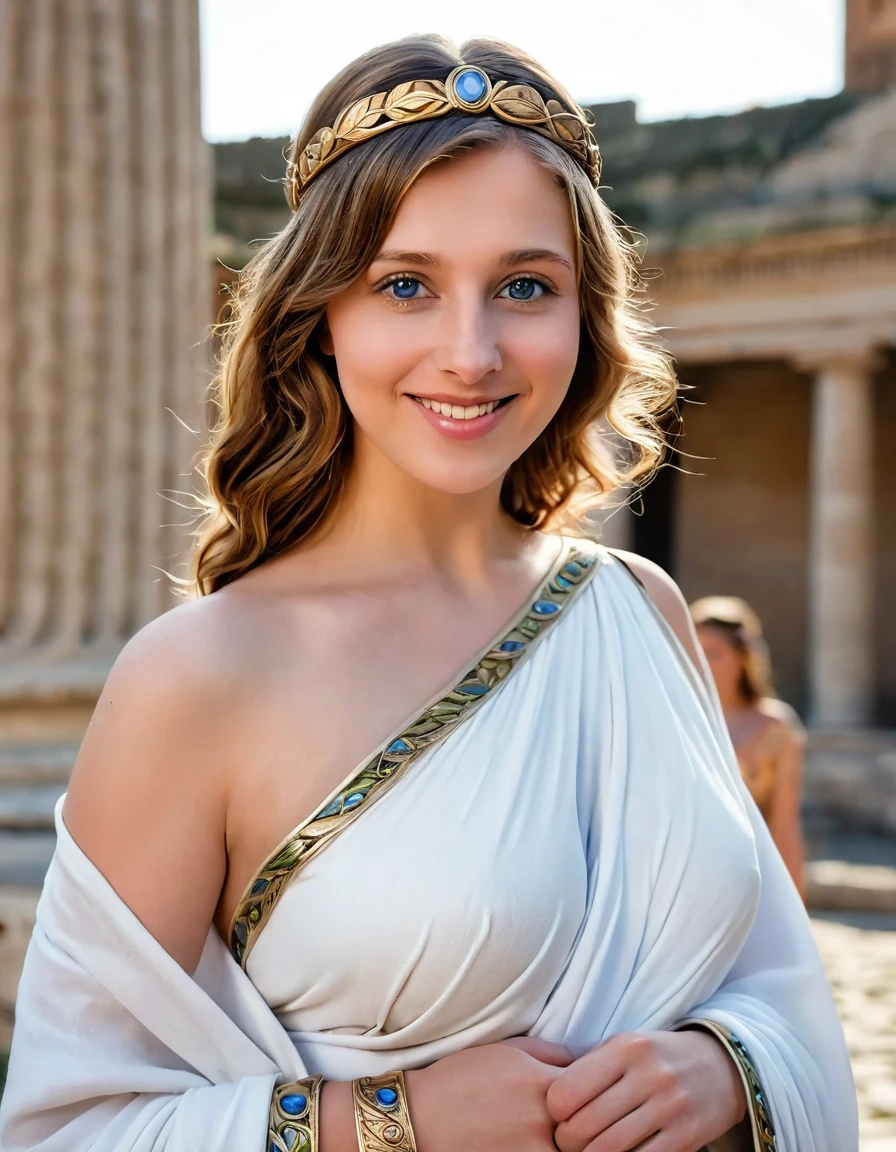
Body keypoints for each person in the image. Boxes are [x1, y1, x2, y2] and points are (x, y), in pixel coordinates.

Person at [0, 33, 856, 1152]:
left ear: (584, 316)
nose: (471, 350)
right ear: (321, 317)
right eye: (404, 285)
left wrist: (722, 1068)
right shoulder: (200, 672)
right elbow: (69, 1127)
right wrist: (389, 1122)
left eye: (523, 286)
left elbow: (772, 981)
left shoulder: (634, 607)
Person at [690, 597, 806, 898]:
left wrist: (795, 906)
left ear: (743, 659)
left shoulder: (774, 726)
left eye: (714, 653)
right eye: (693, 651)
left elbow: (784, 825)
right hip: (685, 886)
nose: (700, 663)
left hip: (752, 883)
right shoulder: (678, 718)